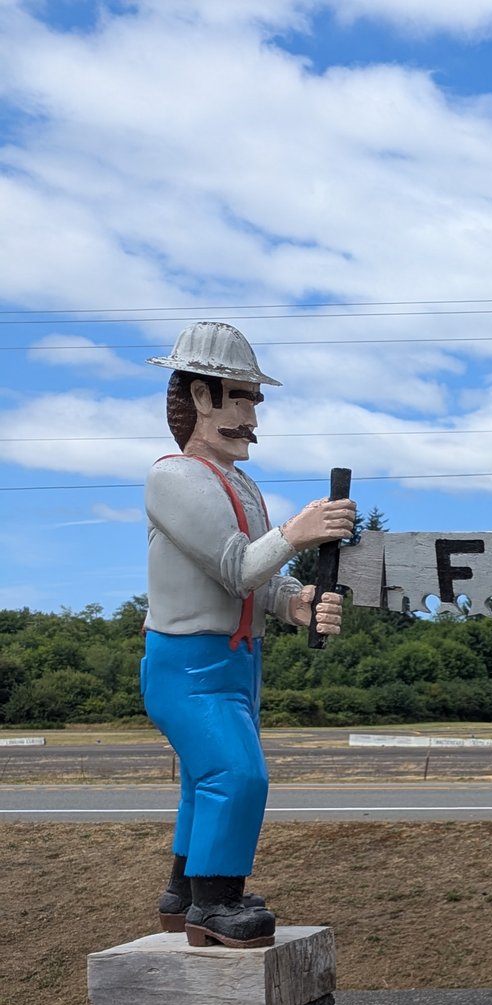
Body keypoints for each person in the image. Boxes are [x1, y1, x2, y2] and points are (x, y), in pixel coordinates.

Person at [143, 322, 356, 946]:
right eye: (242, 396)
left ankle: (184, 892)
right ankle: (216, 904)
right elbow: (237, 566)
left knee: (203, 783)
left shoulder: (241, 485)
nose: (253, 412)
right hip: (188, 660)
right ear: (202, 397)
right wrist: (298, 532)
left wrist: (296, 601)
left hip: (240, 662)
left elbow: (259, 582)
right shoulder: (175, 478)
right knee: (237, 776)